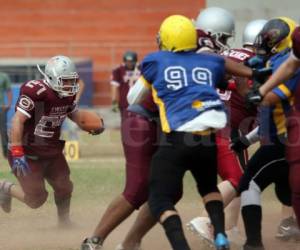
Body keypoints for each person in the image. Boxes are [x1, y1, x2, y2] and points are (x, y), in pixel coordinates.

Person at [126, 14, 263, 250]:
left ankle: (190, 241)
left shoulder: (157, 60)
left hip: (178, 135)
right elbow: (229, 78)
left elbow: (133, 97)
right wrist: (251, 77)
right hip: (210, 132)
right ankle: (219, 231)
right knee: (216, 186)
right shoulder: (216, 60)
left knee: (161, 198)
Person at [187, 11, 266, 246]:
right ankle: (205, 220)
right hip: (231, 127)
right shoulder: (258, 63)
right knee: (239, 179)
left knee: (238, 179)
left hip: (204, 121)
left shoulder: (223, 55)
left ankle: (229, 229)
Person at [0, 55, 104, 226]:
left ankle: (64, 222)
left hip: (51, 150)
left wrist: (93, 124)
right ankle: (5, 188)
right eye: (66, 81)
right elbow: (17, 121)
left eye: (72, 81)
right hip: (27, 152)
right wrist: (17, 153)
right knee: (36, 199)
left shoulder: (67, 95)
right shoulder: (36, 92)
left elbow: (74, 114)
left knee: (65, 187)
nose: (70, 86)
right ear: (51, 78)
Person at [236, 17, 298, 250]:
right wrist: (246, 140)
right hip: (279, 137)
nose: (267, 38)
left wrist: (257, 90)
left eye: (273, 34)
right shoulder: (275, 61)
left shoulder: (286, 64)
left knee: (249, 183)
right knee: (287, 195)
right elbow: (268, 118)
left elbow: (273, 98)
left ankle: (253, 243)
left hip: (284, 140)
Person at [0, 71, 12, 158]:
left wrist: (9, 104)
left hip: (1, 107)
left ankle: (6, 154)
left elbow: (8, 90)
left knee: (3, 131)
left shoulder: (3, 76)